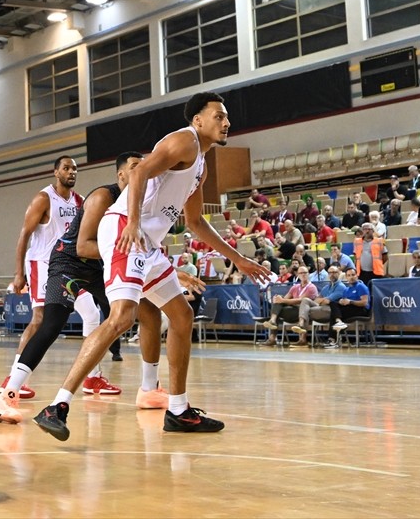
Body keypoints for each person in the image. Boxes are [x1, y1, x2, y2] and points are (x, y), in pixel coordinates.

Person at [32, 92, 267, 440]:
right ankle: (57, 405)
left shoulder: (200, 164)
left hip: (148, 243)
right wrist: (132, 221)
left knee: (182, 315)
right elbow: (139, 171)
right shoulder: (183, 141)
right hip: (128, 230)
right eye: (218, 116)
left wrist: (239, 258)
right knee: (122, 317)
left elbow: (196, 223)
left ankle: (178, 410)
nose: (226, 122)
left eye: (227, 117)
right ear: (198, 120)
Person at [0, 152, 184, 424]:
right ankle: (7, 395)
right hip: (69, 263)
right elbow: (82, 247)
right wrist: (134, 254)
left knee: (147, 309)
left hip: (100, 266)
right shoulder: (102, 197)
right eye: (135, 167)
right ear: (121, 174)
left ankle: (149, 389)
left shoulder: (142, 203)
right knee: (50, 323)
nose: (144, 171)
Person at [7, 156, 83, 399]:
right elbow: (23, 235)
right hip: (42, 262)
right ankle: (13, 378)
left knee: (92, 314)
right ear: (55, 172)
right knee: (39, 319)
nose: (71, 172)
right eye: (66, 168)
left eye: (74, 168)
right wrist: (19, 273)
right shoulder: (43, 198)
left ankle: (94, 377)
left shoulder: (79, 201)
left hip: (68, 267)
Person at [260, 265, 318, 347]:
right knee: (278, 302)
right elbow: (285, 299)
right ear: (298, 275)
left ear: (308, 274)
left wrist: (283, 300)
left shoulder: (312, 287)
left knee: (283, 302)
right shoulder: (295, 287)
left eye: (305, 273)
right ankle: (272, 333)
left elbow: (300, 300)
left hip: (306, 312)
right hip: (293, 310)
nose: (303, 274)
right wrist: (278, 299)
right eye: (301, 273)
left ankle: (302, 340)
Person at [322, 268, 371, 349]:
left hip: (361, 309)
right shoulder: (346, 289)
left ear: (357, 276)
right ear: (346, 277)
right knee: (333, 303)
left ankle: (333, 339)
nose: (351, 277)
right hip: (350, 309)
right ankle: (338, 324)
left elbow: (364, 302)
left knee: (334, 314)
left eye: (353, 275)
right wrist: (342, 301)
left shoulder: (361, 286)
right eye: (349, 275)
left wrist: (350, 302)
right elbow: (345, 302)